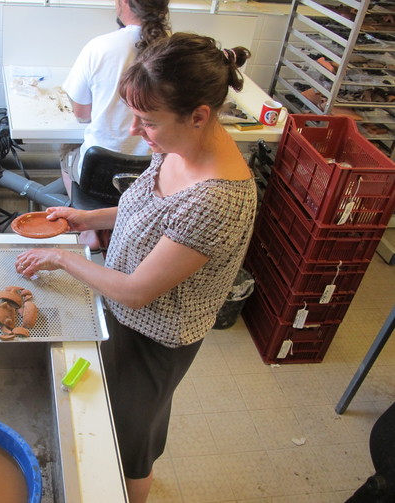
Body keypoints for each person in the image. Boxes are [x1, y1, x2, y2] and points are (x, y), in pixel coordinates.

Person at [15, 33, 256, 503]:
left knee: (130, 442)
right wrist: (86, 218)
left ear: (199, 115)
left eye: (147, 121)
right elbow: (142, 206)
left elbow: (135, 291)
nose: (138, 130)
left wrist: (62, 258)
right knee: (125, 416)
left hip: (157, 336)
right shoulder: (178, 145)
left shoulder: (218, 199)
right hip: (121, 312)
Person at [60, 0, 170, 251]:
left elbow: (81, 113)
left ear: (123, 3)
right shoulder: (177, 51)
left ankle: (89, 224)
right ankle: (103, 222)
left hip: (99, 170)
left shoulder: (100, 47)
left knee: (67, 147)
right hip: (154, 171)